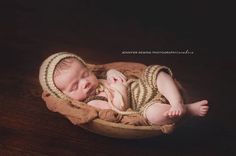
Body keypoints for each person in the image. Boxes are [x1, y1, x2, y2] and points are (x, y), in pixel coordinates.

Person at [39, 52, 209, 125]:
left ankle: (176, 102)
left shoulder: (98, 79)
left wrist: (112, 72)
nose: (84, 83)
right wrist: (119, 88)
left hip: (143, 86)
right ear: (65, 96)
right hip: (143, 105)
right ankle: (187, 110)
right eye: (75, 86)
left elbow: (104, 72)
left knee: (155, 71)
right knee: (154, 116)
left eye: (84, 74)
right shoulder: (93, 103)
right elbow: (119, 108)